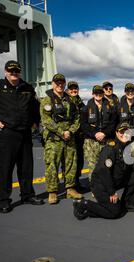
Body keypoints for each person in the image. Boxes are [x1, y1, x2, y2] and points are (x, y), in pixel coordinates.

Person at [0, 60, 44, 213]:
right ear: (5, 72)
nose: (14, 73)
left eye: (16, 71)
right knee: (6, 168)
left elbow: (35, 108)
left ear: (20, 72)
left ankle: (27, 195)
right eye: (11, 71)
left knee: (26, 167)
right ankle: (4, 200)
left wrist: (35, 123)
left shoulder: (27, 88)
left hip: (25, 133)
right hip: (7, 133)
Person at [72, 123, 134, 220]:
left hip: (115, 181)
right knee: (114, 212)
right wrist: (111, 192)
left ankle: (127, 203)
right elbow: (104, 172)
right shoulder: (110, 148)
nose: (124, 134)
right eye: (121, 132)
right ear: (117, 133)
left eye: (127, 132)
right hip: (101, 184)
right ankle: (84, 204)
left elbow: (131, 166)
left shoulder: (127, 147)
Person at [40, 74, 83, 204]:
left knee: (70, 164)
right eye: (57, 82)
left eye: (62, 83)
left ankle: (70, 188)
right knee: (52, 164)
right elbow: (46, 120)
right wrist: (61, 132)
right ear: (53, 84)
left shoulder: (70, 100)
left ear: (64, 84)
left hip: (69, 137)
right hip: (54, 139)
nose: (59, 85)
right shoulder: (47, 100)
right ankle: (52, 192)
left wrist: (70, 131)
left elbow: (77, 118)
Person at [80, 85, 117, 180]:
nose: (98, 95)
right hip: (91, 142)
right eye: (96, 93)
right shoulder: (86, 108)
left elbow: (113, 123)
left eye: (100, 93)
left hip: (106, 140)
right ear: (92, 94)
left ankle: (106, 188)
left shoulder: (110, 108)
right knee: (93, 167)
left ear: (103, 94)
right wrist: (95, 134)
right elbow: (84, 125)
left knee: (107, 164)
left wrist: (104, 133)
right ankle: (95, 190)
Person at [67, 81, 85, 190]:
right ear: (68, 90)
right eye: (71, 89)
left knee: (79, 160)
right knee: (69, 162)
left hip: (79, 136)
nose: (74, 90)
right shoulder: (66, 101)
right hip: (69, 136)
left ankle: (76, 181)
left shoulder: (80, 102)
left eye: (75, 88)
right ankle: (70, 185)